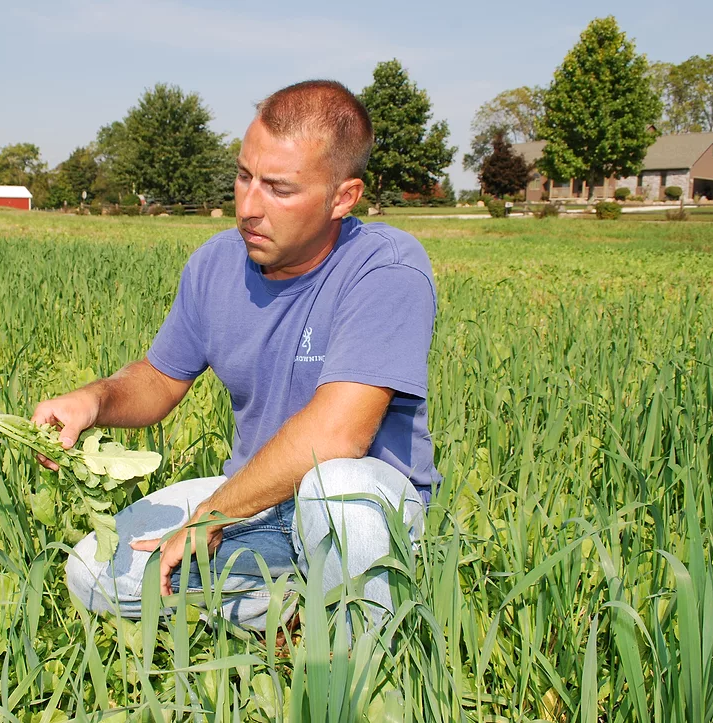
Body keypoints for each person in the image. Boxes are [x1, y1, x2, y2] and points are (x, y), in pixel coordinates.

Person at [32, 80, 440, 632]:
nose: (248, 207)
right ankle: (294, 609)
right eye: (244, 176)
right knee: (93, 574)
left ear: (343, 197)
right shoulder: (215, 264)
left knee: (338, 491)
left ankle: (347, 672)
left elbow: (338, 437)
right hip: (257, 503)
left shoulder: (386, 268)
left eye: (279, 189)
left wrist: (214, 514)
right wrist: (95, 400)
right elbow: (158, 379)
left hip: (361, 504)